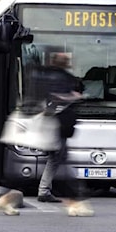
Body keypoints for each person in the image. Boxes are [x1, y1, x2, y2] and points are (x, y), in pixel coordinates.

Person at [32, 53, 93, 216]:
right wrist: (74, 96)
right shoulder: (63, 77)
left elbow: (43, 97)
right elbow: (57, 97)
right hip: (58, 124)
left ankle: (44, 190)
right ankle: (74, 196)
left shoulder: (44, 75)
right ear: (64, 63)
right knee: (62, 157)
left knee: (56, 157)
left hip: (50, 123)